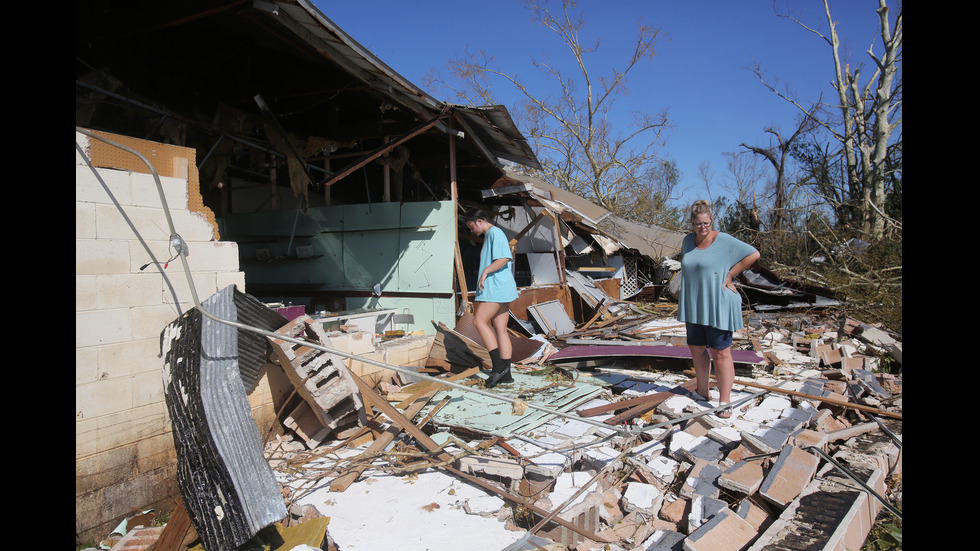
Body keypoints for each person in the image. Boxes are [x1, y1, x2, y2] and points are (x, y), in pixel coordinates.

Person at [678, 200, 760, 418]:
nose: (702, 227)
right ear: (692, 223)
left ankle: (725, 401)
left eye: (705, 223)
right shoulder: (687, 241)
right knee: (696, 347)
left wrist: (730, 274)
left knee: (721, 352)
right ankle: (703, 391)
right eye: (697, 223)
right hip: (694, 303)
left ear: (711, 221)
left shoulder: (723, 240)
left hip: (718, 303)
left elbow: (753, 254)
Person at [463, 208, 519, 388]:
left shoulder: (495, 233)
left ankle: (498, 367)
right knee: (501, 329)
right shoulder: (491, 235)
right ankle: (507, 372)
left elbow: (504, 258)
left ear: (479, 221)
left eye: (471, 227)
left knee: (479, 322)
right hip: (502, 287)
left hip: (496, 287)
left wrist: (485, 271)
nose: (471, 231)